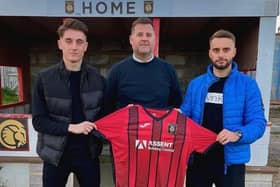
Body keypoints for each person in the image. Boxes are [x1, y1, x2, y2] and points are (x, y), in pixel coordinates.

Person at [180, 29, 266, 187]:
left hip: (231, 163)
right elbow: (184, 118)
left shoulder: (248, 85)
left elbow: (258, 123)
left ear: (234, 52)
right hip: (198, 160)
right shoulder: (196, 84)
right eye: (216, 50)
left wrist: (237, 134)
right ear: (210, 53)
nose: (221, 55)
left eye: (226, 49)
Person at [32, 18, 105, 187]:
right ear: (60, 44)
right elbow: (38, 121)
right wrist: (71, 127)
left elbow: (105, 117)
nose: (74, 47)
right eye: (69, 41)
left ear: (85, 46)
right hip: (55, 156)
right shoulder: (44, 79)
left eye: (79, 42)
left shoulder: (99, 79)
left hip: (89, 155)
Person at [105, 17, 182, 113]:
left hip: (159, 127)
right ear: (131, 40)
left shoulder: (168, 70)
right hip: (126, 127)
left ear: (155, 39)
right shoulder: (117, 71)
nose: (144, 38)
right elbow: (107, 108)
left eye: (148, 35)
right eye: (140, 35)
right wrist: (122, 112)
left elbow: (176, 105)